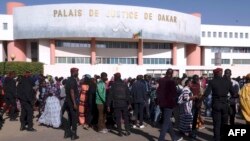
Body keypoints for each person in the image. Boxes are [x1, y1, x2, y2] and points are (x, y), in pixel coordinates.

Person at [202, 68, 237, 141]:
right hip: (225, 105)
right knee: (224, 123)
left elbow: (206, 94)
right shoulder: (228, 82)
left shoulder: (212, 82)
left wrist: (199, 102)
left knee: (216, 124)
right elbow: (234, 94)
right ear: (221, 73)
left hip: (216, 104)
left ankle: (216, 138)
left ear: (215, 74)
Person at [157, 68, 183, 141]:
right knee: (166, 122)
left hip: (161, 103)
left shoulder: (161, 80)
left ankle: (174, 137)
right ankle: (161, 139)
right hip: (168, 104)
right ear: (171, 74)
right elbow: (174, 93)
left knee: (167, 121)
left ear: (166, 73)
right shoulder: (171, 81)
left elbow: (158, 91)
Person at [63, 68, 80, 140]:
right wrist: (74, 103)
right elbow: (72, 92)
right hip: (72, 102)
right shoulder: (73, 80)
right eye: (77, 72)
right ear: (74, 72)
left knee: (70, 118)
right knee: (74, 118)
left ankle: (67, 134)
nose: (78, 73)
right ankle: (73, 135)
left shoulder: (68, 80)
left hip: (67, 102)